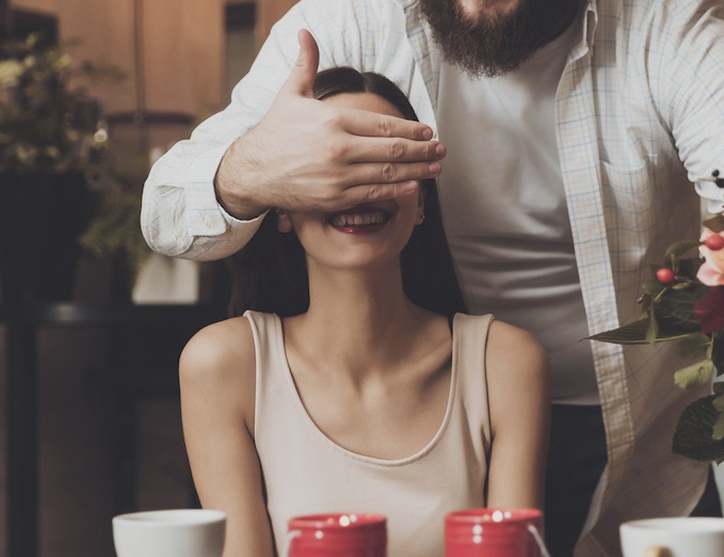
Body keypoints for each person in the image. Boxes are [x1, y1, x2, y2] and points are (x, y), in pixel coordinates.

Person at [144, 0, 724, 554]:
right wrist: (252, 168)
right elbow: (168, 208)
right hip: (441, 429)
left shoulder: (660, 17)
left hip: (640, 456)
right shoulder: (354, 3)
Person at [177, 67, 551, 557]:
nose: (362, 187)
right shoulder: (222, 366)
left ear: (420, 202)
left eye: (386, 164)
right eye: (336, 164)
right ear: (282, 208)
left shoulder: (504, 363)